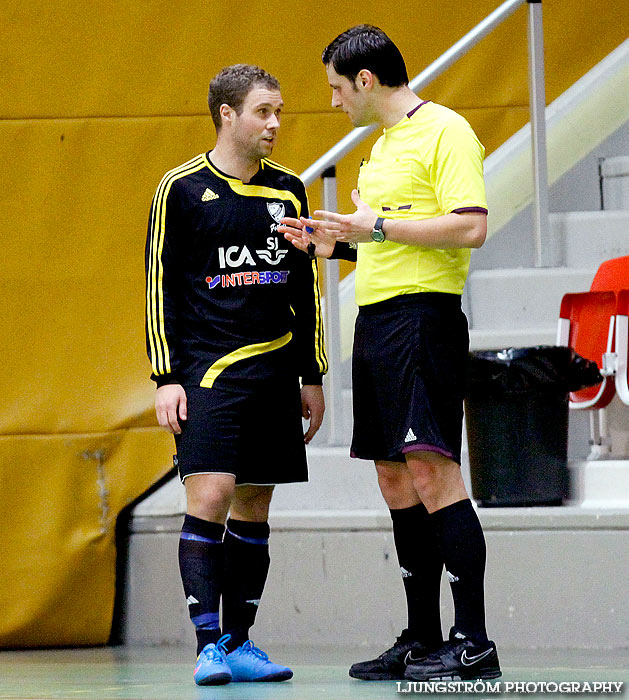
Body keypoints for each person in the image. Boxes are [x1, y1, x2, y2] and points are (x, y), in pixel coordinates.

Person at [279, 25, 500, 683]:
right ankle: (423, 636)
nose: (333, 102)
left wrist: (371, 224)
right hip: (375, 323)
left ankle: (473, 641)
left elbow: (470, 226)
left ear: (366, 81)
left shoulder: (445, 132)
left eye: (336, 88)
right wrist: (334, 244)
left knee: (432, 471)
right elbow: (393, 237)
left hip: (421, 321)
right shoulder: (380, 151)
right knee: (392, 476)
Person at [145, 64, 327, 686]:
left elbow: (306, 290)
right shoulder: (181, 189)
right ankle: (206, 648)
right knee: (212, 496)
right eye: (263, 112)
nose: (276, 123)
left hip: (276, 374)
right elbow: (158, 286)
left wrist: (313, 372)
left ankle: (240, 641)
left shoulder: (290, 191)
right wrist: (166, 376)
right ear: (228, 114)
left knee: (255, 504)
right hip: (208, 373)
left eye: (279, 112)